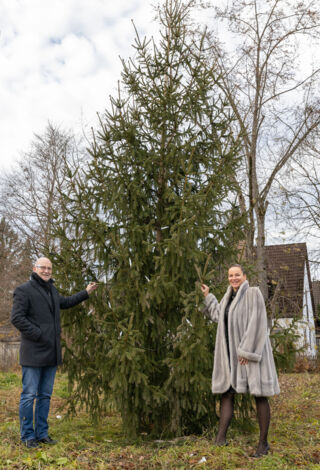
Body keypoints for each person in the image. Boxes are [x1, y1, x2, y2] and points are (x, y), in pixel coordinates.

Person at [11, 257, 98, 449]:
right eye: (42, 267)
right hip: (33, 352)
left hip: (51, 353)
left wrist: (86, 292)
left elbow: (65, 303)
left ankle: (42, 434)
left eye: (49, 268)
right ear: (34, 268)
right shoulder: (24, 290)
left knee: (45, 396)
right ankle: (27, 436)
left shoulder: (52, 290)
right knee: (29, 395)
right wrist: (38, 334)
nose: (46, 271)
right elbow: (16, 318)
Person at [201, 264, 280, 457]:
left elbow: (258, 321)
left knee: (259, 395)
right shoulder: (228, 297)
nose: (233, 278)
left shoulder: (253, 294)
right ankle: (220, 439)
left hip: (251, 355)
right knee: (227, 394)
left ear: (244, 276)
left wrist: (247, 351)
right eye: (230, 275)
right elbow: (218, 316)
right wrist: (208, 297)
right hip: (232, 358)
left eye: (237, 275)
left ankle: (263, 444)